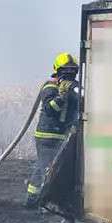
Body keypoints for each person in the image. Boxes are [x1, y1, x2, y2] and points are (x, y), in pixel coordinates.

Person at [25, 52, 81, 209]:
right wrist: (61, 96)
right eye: (66, 71)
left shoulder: (74, 89)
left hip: (62, 135)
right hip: (47, 137)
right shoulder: (50, 87)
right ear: (57, 71)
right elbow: (51, 109)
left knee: (58, 168)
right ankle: (33, 199)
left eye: (72, 71)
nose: (70, 76)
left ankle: (48, 199)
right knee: (46, 167)